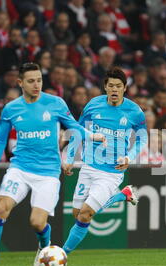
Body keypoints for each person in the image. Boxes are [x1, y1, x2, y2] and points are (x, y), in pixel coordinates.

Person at [0, 63, 105, 266]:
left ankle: (44, 246)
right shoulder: (11, 109)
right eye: (31, 81)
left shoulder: (56, 104)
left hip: (48, 173)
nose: (36, 85)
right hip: (20, 168)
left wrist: (91, 135)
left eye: (39, 80)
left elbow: (74, 127)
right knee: (1, 208)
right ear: (20, 83)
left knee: (36, 222)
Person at [62, 66, 148, 255]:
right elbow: (78, 130)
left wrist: (129, 157)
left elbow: (143, 138)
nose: (115, 90)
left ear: (125, 88)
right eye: (111, 86)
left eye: (118, 86)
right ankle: (122, 195)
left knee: (86, 214)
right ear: (105, 87)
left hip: (112, 172)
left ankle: (62, 254)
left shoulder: (134, 111)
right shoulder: (93, 105)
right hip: (88, 166)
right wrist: (69, 157)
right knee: (77, 215)